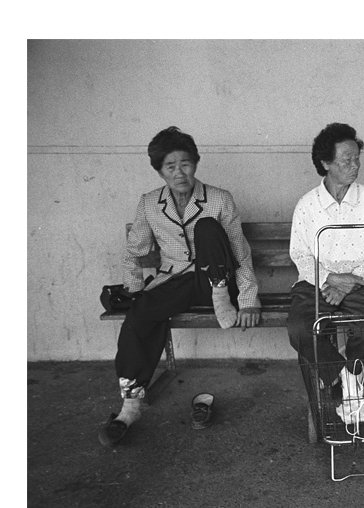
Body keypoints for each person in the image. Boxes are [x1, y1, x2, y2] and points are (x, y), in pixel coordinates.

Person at [99, 126, 262, 446]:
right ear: (160, 170)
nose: (179, 172)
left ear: (195, 163)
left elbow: (240, 252)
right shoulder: (149, 203)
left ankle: (219, 292)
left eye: (185, 164)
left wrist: (248, 299)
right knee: (140, 313)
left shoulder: (219, 198)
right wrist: (134, 290)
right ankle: (130, 406)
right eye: (170, 166)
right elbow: (135, 251)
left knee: (207, 226)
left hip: (218, 283)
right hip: (175, 282)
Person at [287, 123, 364, 423]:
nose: (355, 165)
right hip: (318, 283)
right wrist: (330, 279)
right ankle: (346, 377)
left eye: (357, 158)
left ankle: (343, 380)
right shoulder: (307, 205)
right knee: (300, 328)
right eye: (347, 160)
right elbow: (300, 254)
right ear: (325, 162)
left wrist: (349, 282)